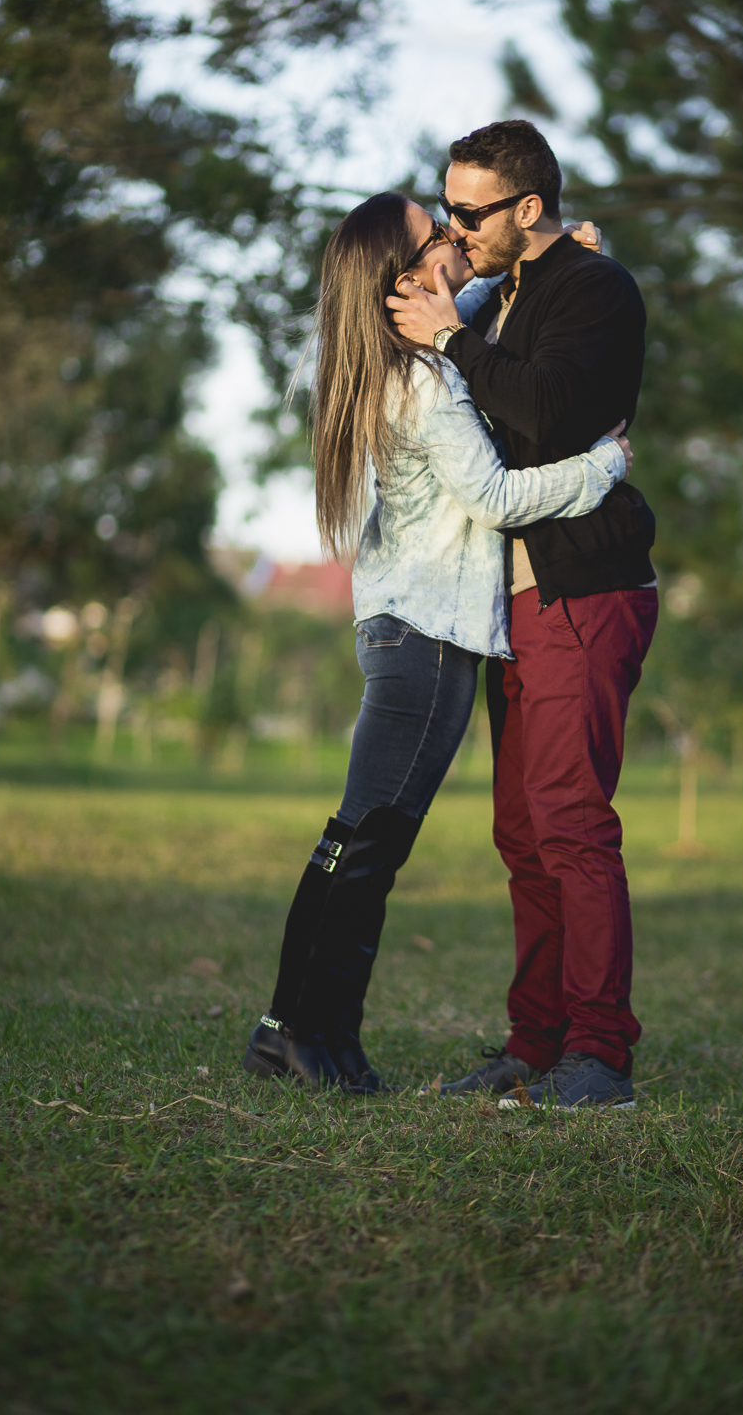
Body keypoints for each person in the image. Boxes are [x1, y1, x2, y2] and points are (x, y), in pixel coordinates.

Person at [242, 190, 633, 1093]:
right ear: (406, 274)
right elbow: (494, 499)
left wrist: (557, 251)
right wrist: (605, 464)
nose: (457, 239)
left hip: (399, 627)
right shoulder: (420, 380)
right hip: (429, 637)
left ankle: (288, 1028)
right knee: (370, 841)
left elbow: (461, 309)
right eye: (437, 234)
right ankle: (314, 1035)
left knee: (353, 837)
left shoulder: (389, 354)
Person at [387, 119, 659, 1111]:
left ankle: (601, 1053)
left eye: (470, 210)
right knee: (522, 832)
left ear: (529, 208)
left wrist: (457, 340)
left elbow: (546, 412)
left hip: (582, 589)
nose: (456, 224)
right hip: (509, 602)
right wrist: (460, 310)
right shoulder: (501, 294)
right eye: (447, 206)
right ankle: (535, 1043)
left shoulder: (596, 289)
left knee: (573, 822)